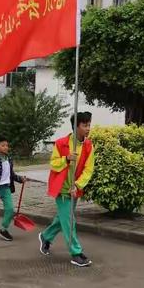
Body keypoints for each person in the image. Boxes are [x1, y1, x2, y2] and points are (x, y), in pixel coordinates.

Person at [39, 112, 95, 268]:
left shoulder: (89, 146)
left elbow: (88, 170)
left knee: (62, 219)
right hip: (62, 190)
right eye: (84, 125)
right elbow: (53, 164)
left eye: (89, 124)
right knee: (69, 221)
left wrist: (77, 185)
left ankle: (45, 236)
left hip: (74, 190)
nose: (88, 128)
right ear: (76, 126)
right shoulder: (61, 143)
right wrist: (67, 159)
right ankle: (76, 253)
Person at [0, 136, 27, 241]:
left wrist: (20, 179)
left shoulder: (9, 159)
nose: (5, 147)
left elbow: (11, 175)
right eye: (2, 145)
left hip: (6, 188)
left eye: (6, 145)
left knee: (10, 209)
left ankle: (4, 229)